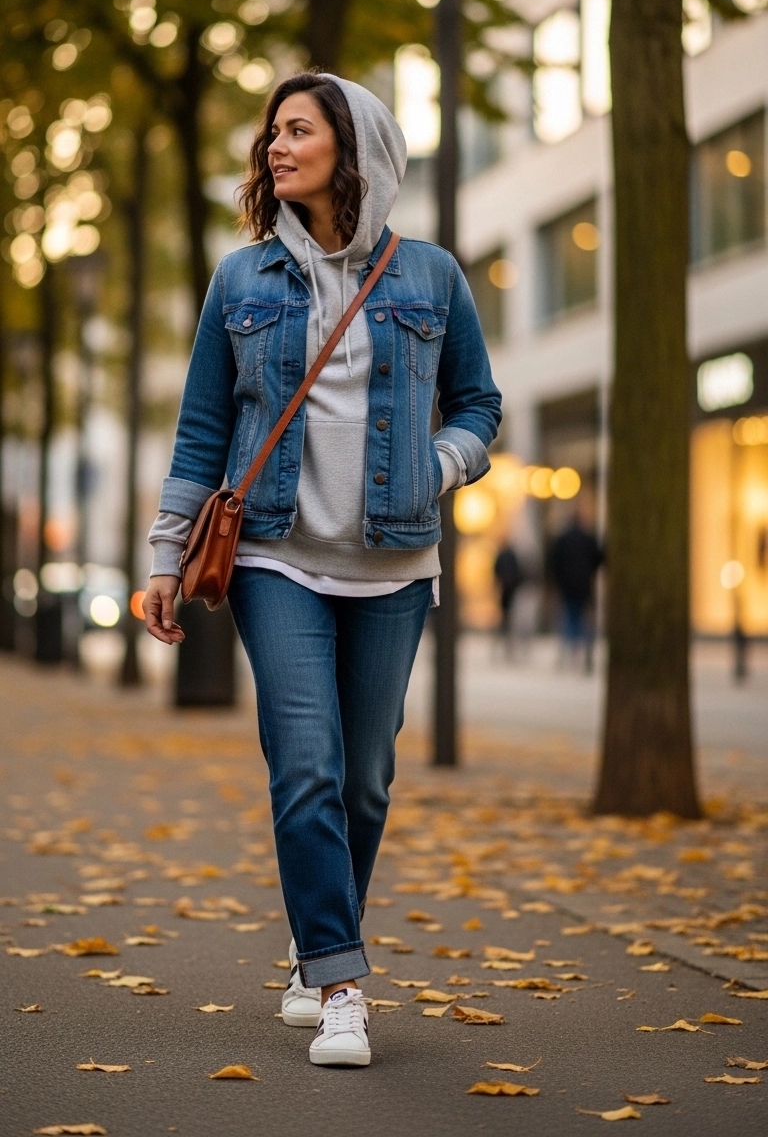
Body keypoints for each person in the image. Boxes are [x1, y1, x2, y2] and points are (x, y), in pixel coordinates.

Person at [143, 73, 501, 1068]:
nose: (275, 145)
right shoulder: (241, 279)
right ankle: (342, 985)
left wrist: (438, 465)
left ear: (354, 146)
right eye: (272, 131)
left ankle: (313, 937)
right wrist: (163, 559)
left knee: (367, 780)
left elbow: (480, 403)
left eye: (297, 129)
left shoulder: (430, 275)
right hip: (273, 557)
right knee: (305, 764)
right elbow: (203, 428)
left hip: (396, 563)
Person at [550, 512, 604, 672]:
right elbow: (599, 558)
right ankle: (584, 654)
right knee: (584, 619)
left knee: (568, 616)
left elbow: (555, 561)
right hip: (584, 584)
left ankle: (567, 653)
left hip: (566, 585)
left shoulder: (562, 539)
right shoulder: (588, 538)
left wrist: (557, 580)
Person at [493, 542, 523, 647]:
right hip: (509, 589)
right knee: (507, 615)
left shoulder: (504, 556)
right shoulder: (510, 556)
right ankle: (506, 638)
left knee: (505, 615)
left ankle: (506, 637)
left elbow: (496, 570)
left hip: (506, 589)